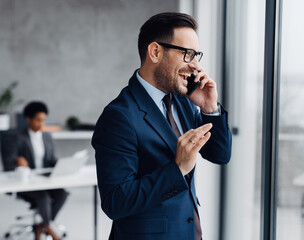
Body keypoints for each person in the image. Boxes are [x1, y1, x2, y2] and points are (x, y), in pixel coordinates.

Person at [92, 12, 232, 240]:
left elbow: (220, 154)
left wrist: (210, 108)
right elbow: (115, 202)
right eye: (187, 54)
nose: (195, 66)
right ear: (155, 52)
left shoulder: (183, 102)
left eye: (196, 55)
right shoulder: (119, 116)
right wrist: (178, 169)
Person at [16, 101, 69, 240]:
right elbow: (9, 162)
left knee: (62, 194)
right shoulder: (18, 137)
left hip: (45, 179)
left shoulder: (47, 136)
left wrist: (62, 165)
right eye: (38, 120)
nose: (41, 124)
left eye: (43, 120)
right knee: (43, 197)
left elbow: (52, 159)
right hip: (27, 181)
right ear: (28, 119)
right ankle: (49, 229)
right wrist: (18, 162)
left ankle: (42, 226)